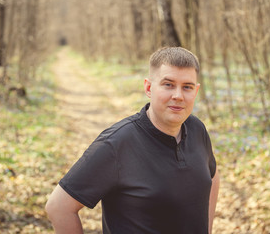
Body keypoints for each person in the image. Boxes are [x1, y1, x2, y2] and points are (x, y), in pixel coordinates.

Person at [45, 47, 220, 234]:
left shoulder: (196, 128)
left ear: (196, 90)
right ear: (148, 87)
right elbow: (58, 207)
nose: (178, 95)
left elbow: (212, 176)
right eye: (168, 84)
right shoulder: (116, 143)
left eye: (187, 87)